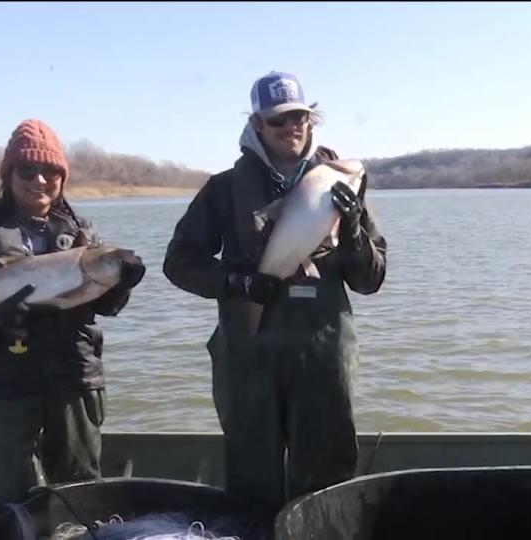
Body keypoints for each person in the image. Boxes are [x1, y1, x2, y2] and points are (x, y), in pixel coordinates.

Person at [162, 71, 387, 523]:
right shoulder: (223, 189)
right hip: (248, 358)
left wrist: (354, 226)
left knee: (327, 475)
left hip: (322, 354)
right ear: (258, 124)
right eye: (280, 119)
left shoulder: (341, 182)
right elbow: (179, 262)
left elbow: (369, 280)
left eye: (300, 117)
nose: (292, 128)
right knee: (251, 480)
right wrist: (237, 283)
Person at [0, 119, 146, 516]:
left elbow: (102, 306)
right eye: (27, 170)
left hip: (75, 374)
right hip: (8, 379)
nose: (40, 180)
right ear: (8, 175)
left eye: (51, 171)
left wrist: (121, 284)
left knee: (79, 490)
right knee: (3, 497)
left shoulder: (83, 233)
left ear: (62, 177)